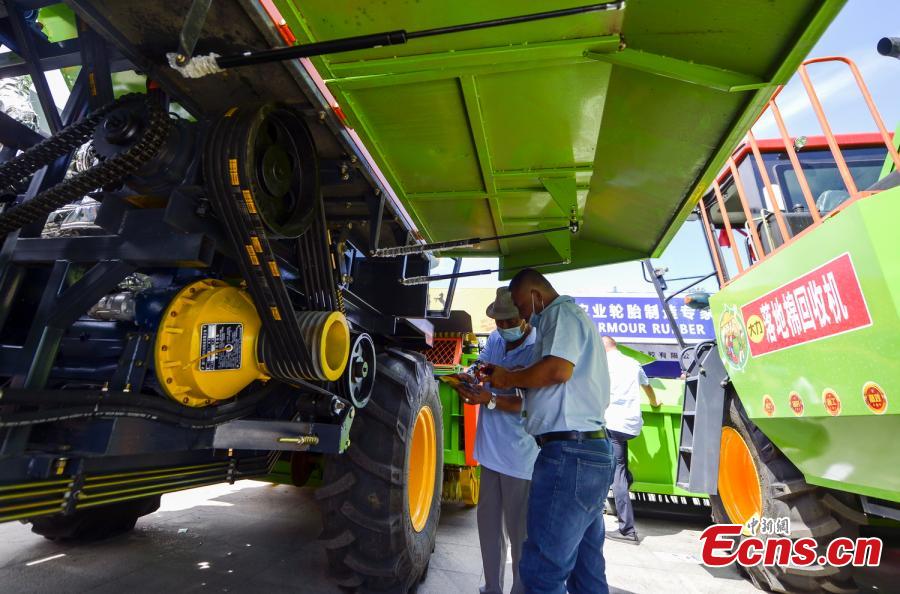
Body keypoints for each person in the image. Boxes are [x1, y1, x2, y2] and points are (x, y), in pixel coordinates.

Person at [482, 269, 613, 594]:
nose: (522, 316)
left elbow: (557, 370)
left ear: (536, 296)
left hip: (569, 455)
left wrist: (509, 379)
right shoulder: (564, 321)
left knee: (541, 571)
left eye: (521, 307)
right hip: (586, 452)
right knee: (586, 569)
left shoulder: (560, 313)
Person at [449, 287, 539, 594]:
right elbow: (482, 366)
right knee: (489, 531)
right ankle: (492, 588)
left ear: (524, 317)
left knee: (520, 535)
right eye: (498, 321)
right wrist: (468, 376)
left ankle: (521, 590)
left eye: (509, 320)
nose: (503, 327)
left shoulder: (538, 348)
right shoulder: (497, 340)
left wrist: (489, 401)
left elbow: (533, 403)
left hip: (520, 458)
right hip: (490, 454)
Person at [601, 335, 660, 544]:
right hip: (632, 425)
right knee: (619, 465)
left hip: (613, 423)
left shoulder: (602, 364)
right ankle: (623, 483)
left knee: (617, 472)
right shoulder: (633, 363)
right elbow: (648, 387)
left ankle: (627, 530)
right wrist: (654, 403)